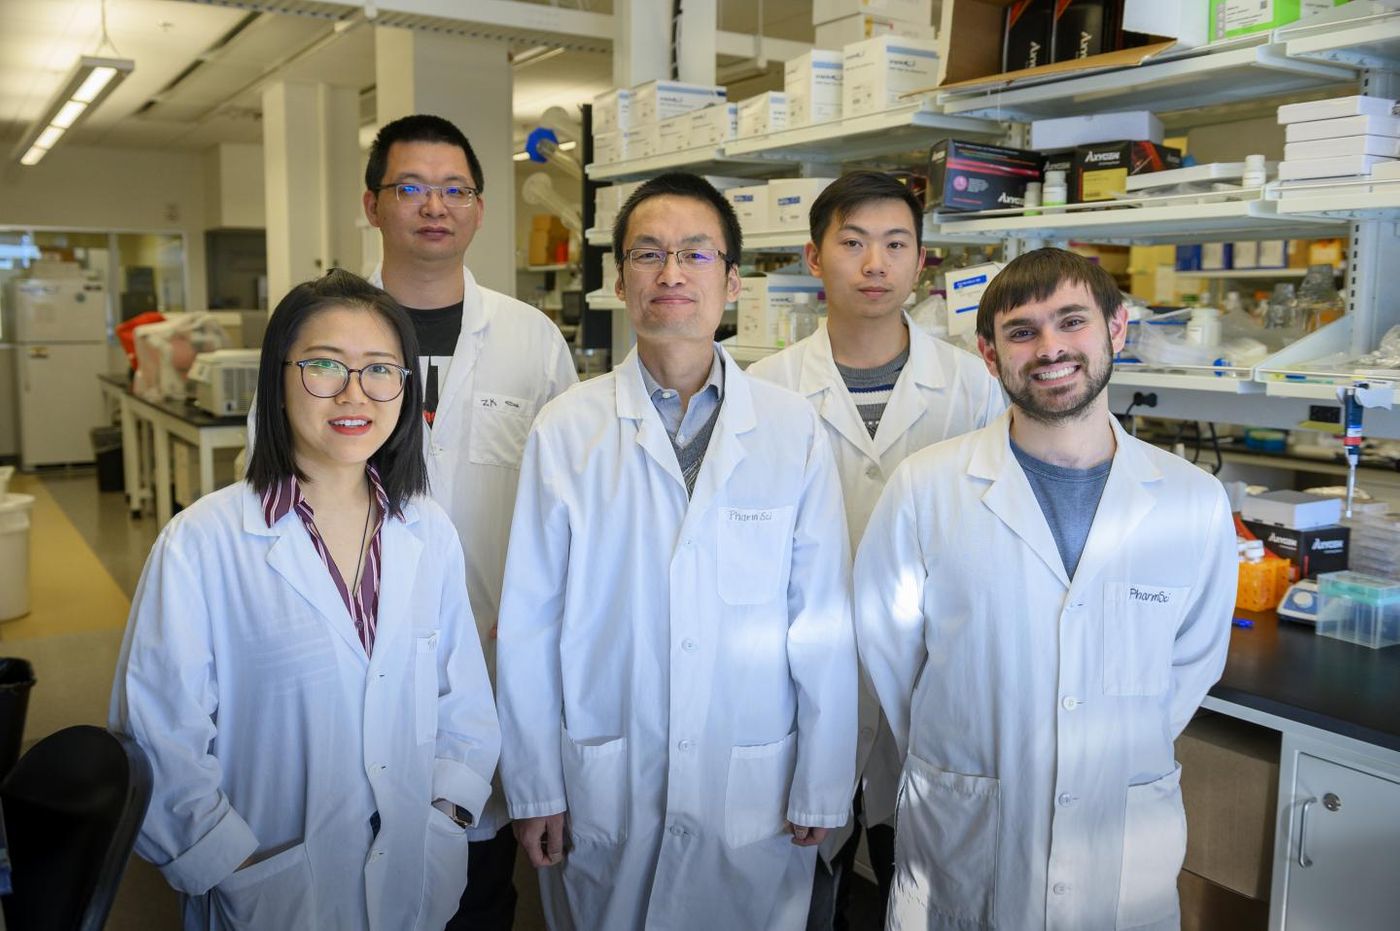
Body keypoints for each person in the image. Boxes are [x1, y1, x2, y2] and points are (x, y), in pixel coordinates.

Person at [495, 172, 858, 930]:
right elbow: (529, 620)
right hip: (608, 773)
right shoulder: (568, 430)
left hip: (753, 775)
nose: (671, 273)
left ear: (730, 279)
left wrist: (824, 779)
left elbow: (820, 618)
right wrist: (533, 786)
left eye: (695, 253)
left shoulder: (792, 430)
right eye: (648, 254)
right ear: (621, 281)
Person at [854, 247, 1236, 931]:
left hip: (1118, 837)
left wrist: (1088, 736)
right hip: (963, 828)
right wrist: (971, 742)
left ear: (1116, 329)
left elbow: (1190, 666)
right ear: (989, 353)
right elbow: (889, 653)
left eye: (1071, 321)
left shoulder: (1192, 500)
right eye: (1023, 331)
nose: (1051, 348)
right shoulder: (925, 488)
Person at [110, 270, 500, 931]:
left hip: (413, 870)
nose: (354, 392)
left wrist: (449, 813)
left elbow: (462, 695)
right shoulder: (202, 543)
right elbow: (157, 735)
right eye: (324, 365)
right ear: (278, 377)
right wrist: (229, 863)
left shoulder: (426, 529)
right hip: (268, 889)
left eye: (381, 369)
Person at [747, 170, 1005, 929]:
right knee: (797, 887)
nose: (874, 264)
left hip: (927, 673)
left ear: (921, 260)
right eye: (853, 243)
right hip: (796, 673)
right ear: (813, 254)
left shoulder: (971, 387)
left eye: (896, 245)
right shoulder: (763, 389)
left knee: (921, 882)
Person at [361, 113, 577, 928]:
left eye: (455, 190)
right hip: (355, 648)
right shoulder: (319, 333)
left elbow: (567, 513)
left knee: (479, 878)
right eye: (410, 187)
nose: (433, 207)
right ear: (373, 203)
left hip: (488, 660)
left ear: (481, 209)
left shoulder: (531, 340)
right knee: (356, 861)